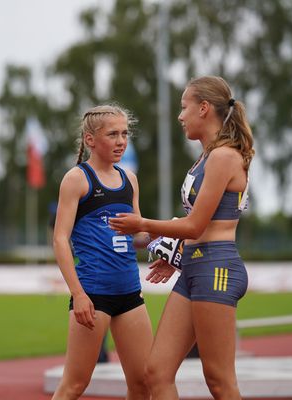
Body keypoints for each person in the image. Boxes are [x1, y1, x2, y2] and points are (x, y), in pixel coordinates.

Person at [110, 76, 254, 400]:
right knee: (156, 373)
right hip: (194, 268)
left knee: (219, 380)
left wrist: (142, 224)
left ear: (204, 109)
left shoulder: (223, 157)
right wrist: (172, 251)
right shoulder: (206, 156)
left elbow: (195, 226)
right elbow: (195, 226)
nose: (180, 116)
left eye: (183, 107)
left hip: (216, 269)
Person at [51, 104, 153, 400]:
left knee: (142, 382)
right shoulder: (77, 179)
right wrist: (78, 294)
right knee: (75, 384)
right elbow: (60, 240)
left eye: (124, 133)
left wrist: (167, 233)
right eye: (113, 134)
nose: (121, 141)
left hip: (130, 293)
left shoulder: (129, 180)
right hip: (93, 296)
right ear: (90, 139)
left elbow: (138, 236)